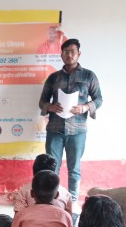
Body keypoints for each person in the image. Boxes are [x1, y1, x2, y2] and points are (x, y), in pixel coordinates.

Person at [39, 38, 102, 202]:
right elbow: (42, 101)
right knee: (52, 168)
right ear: (61, 55)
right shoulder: (53, 77)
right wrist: (50, 106)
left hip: (77, 130)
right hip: (54, 129)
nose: (69, 55)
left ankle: (73, 201)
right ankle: (52, 199)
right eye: (66, 52)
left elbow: (98, 99)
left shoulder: (89, 76)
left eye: (72, 52)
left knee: (74, 169)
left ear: (79, 54)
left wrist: (85, 107)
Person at [0, 154, 72, 227]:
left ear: (32, 194)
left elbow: (17, 220)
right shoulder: (66, 193)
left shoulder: (25, 190)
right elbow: (69, 221)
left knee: (0, 219)